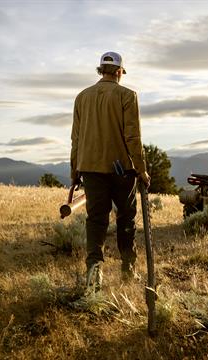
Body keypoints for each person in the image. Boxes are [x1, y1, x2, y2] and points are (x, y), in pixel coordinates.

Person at [70, 51, 150, 291]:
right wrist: (142, 169)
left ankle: (94, 276)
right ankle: (128, 270)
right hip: (121, 170)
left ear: (100, 71)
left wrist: (75, 171)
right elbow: (132, 137)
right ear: (118, 72)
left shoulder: (82, 97)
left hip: (90, 168)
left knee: (96, 221)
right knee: (126, 218)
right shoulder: (127, 95)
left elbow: (75, 138)